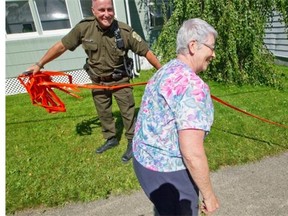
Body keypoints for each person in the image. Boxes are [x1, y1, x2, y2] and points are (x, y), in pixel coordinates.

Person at [26, 0, 161, 163]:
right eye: (102, 10)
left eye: (110, 9)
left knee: (128, 112)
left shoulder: (124, 31)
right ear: (93, 11)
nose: (106, 14)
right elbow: (61, 46)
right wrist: (40, 64)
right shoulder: (83, 29)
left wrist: (163, 71)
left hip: (120, 81)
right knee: (103, 111)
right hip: (98, 81)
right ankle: (111, 138)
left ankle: (132, 141)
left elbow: (146, 52)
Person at [132, 18, 220, 215]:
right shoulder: (193, 86)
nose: (213, 54)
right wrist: (209, 195)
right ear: (193, 46)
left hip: (143, 163)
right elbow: (192, 152)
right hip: (167, 172)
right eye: (211, 47)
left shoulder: (166, 69)